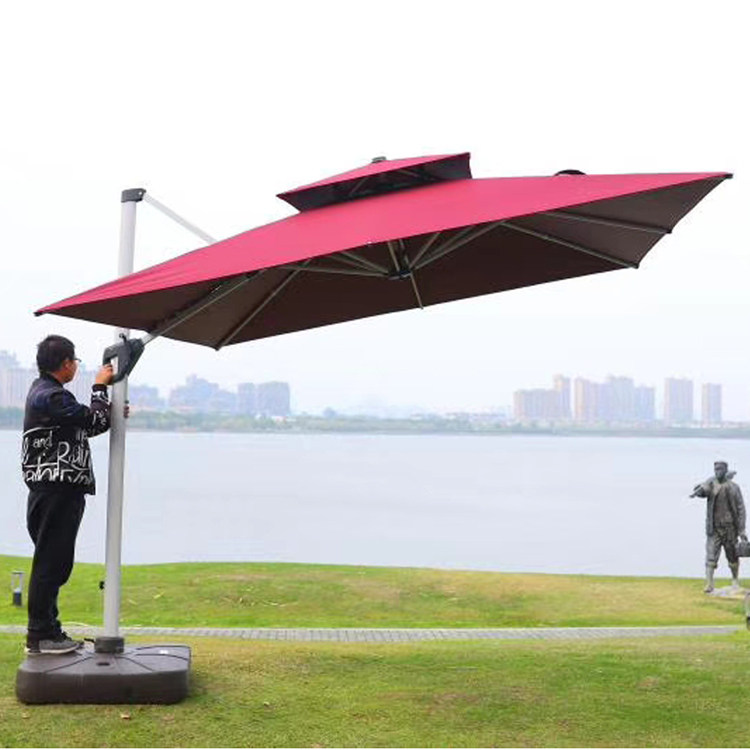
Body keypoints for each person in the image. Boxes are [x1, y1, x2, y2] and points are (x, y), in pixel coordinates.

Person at [21, 335, 114, 654]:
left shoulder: (43, 393)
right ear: (65, 364)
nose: (76, 366)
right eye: (75, 361)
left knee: (52, 562)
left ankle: (48, 631)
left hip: (48, 491)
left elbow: (90, 424)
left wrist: (109, 411)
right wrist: (100, 386)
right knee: (51, 565)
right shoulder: (53, 397)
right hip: (57, 491)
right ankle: (41, 635)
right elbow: (95, 420)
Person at [690, 461, 748, 593]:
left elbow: (741, 509)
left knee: (732, 555)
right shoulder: (711, 485)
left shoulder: (734, 487)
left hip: (730, 528)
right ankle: (709, 583)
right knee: (711, 555)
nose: (718, 471)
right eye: (716, 469)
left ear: (725, 470)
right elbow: (703, 491)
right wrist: (698, 490)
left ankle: (735, 580)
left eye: (720, 469)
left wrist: (741, 529)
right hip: (714, 528)